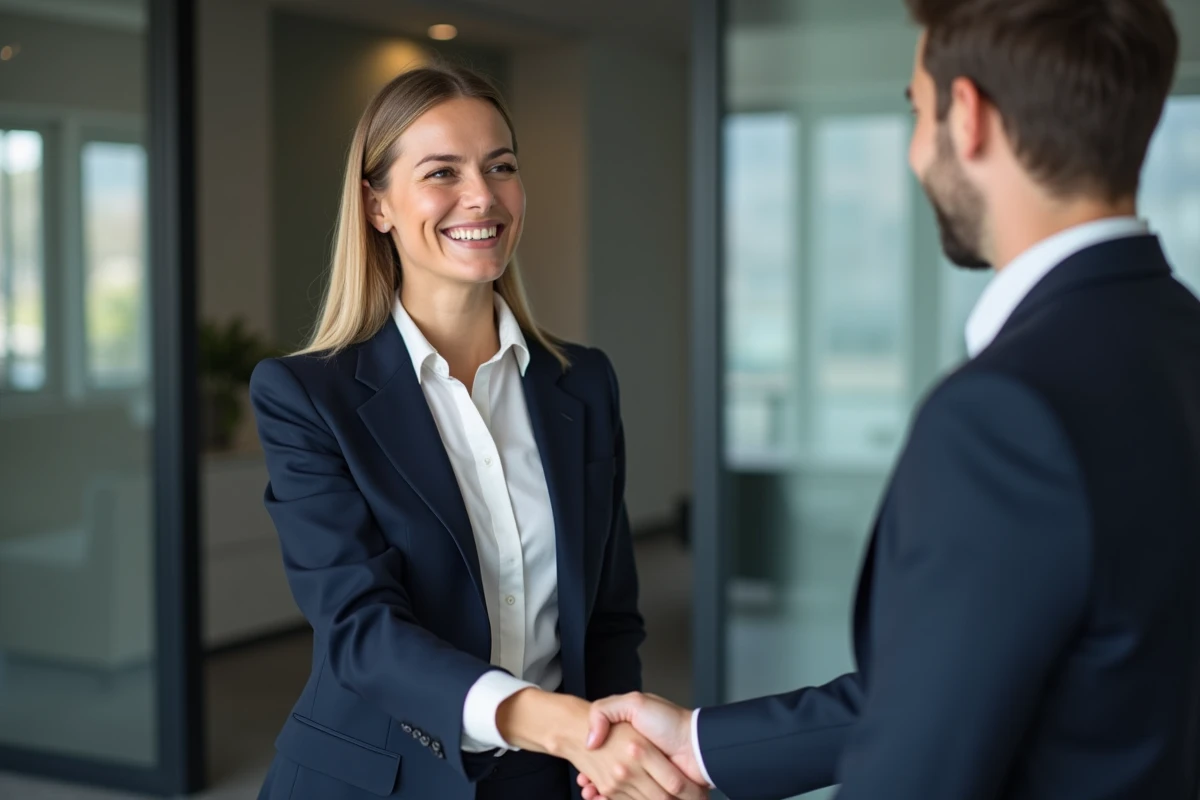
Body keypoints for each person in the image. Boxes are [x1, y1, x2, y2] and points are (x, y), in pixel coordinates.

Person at [582, 1, 1200, 798]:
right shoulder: (1180, 342)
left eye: (917, 110)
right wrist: (704, 745)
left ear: (967, 116)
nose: (915, 151)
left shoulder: (1001, 419)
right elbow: (964, 673)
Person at [250, 65, 706, 800]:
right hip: (375, 781)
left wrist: (608, 749)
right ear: (377, 206)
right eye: (442, 172)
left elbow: (610, 615)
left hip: (552, 776)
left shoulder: (582, 382)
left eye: (502, 166)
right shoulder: (308, 396)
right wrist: (551, 722)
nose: (483, 197)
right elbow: (362, 631)